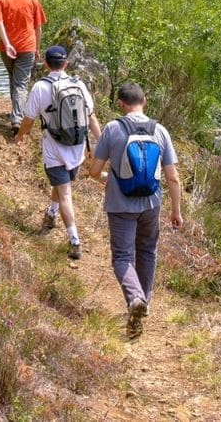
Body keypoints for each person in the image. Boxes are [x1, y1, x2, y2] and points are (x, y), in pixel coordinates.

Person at [88, 82, 182, 339]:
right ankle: (144, 302)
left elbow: (94, 171)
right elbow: (172, 178)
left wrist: (106, 177)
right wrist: (176, 210)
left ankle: (135, 299)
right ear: (145, 101)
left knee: (122, 257)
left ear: (121, 103)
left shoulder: (112, 129)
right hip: (152, 204)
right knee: (147, 252)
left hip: (120, 205)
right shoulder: (160, 131)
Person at [15, 45, 102, 260]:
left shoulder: (40, 88)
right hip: (77, 148)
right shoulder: (79, 84)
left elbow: (28, 120)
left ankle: (74, 240)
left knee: (65, 193)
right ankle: (51, 214)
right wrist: (100, 142)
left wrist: (20, 136)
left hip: (54, 149)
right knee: (62, 185)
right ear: (66, 64)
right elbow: (91, 117)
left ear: (45, 63)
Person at [0, 0, 47, 135]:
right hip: (27, 47)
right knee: (20, 83)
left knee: (14, 80)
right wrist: (37, 48)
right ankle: (17, 119)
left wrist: (7, 43)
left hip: (6, 48)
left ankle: (16, 114)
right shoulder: (32, 0)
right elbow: (38, 28)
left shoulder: (0, 0)